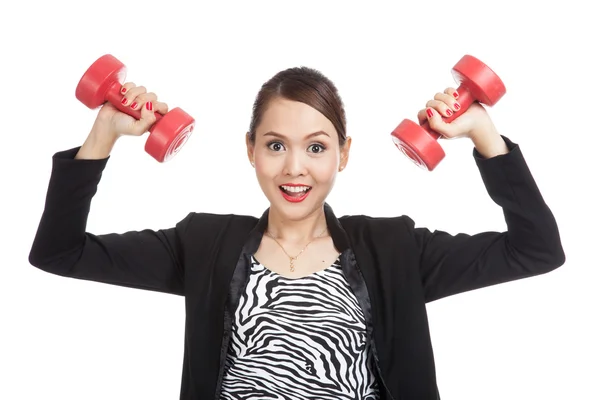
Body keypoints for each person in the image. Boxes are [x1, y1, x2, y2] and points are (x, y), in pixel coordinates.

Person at [28, 65, 565, 400]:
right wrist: (105, 131)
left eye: (316, 146)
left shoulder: (395, 248)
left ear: (343, 153)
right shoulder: (202, 244)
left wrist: (481, 131)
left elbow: (536, 250)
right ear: (250, 150)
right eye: (275, 144)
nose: (294, 169)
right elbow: (60, 251)